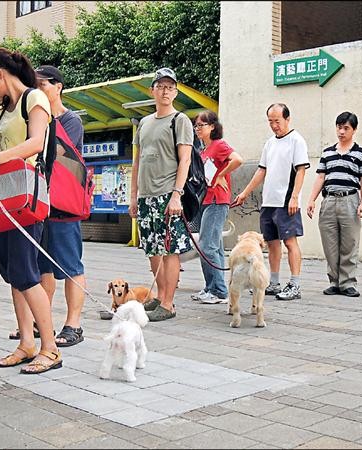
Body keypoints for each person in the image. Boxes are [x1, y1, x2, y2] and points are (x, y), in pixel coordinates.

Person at [0, 48, 61, 374]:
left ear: (0, 73)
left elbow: (36, 143)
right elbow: (3, 151)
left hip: (25, 200)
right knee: (12, 275)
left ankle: (50, 349)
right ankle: (26, 343)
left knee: (26, 273)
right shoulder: (1, 111)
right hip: (2, 200)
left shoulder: (34, 99)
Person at [129, 67, 193, 321]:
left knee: (170, 249)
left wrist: (177, 194)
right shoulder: (144, 123)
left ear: (175, 92)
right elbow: (137, 162)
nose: (165, 91)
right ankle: (158, 297)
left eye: (170, 87)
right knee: (153, 249)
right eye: (161, 86)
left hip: (168, 194)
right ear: (152, 91)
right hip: (146, 196)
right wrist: (133, 196)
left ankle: (168, 303)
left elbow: (185, 159)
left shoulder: (180, 121)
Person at [234, 103, 310, 301]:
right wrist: (244, 193)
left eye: (277, 121)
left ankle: (295, 284)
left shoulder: (296, 141)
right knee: (272, 243)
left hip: (287, 201)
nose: (274, 125)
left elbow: (301, 170)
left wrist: (295, 196)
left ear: (287, 119)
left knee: (290, 242)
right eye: (270, 122)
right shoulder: (269, 143)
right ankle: (274, 283)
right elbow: (262, 170)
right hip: (268, 201)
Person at [35, 65, 87, 345]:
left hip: (64, 203)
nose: (39, 89)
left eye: (43, 84)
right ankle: (41, 322)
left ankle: (73, 325)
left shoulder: (70, 121)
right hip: (40, 204)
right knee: (43, 266)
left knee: (70, 266)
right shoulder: (35, 118)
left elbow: (59, 155)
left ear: (58, 87)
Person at [306, 112, 362, 297]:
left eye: (346, 128)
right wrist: (312, 199)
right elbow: (321, 177)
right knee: (330, 244)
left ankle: (347, 283)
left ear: (354, 130)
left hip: (350, 199)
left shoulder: (361, 154)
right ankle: (334, 282)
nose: (341, 132)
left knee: (349, 243)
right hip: (329, 201)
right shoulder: (327, 153)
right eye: (339, 127)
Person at [190, 111, 244, 305]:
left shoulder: (218, 145)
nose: (198, 129)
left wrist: (221, 175)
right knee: (215, 246)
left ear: (212, 126)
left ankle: (219, 291)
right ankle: (212, 287)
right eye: (196, 125)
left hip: (217, 201)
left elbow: (237, 159)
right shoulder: (203, 151)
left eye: (201, 125)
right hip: (207, 201)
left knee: (207, 245)